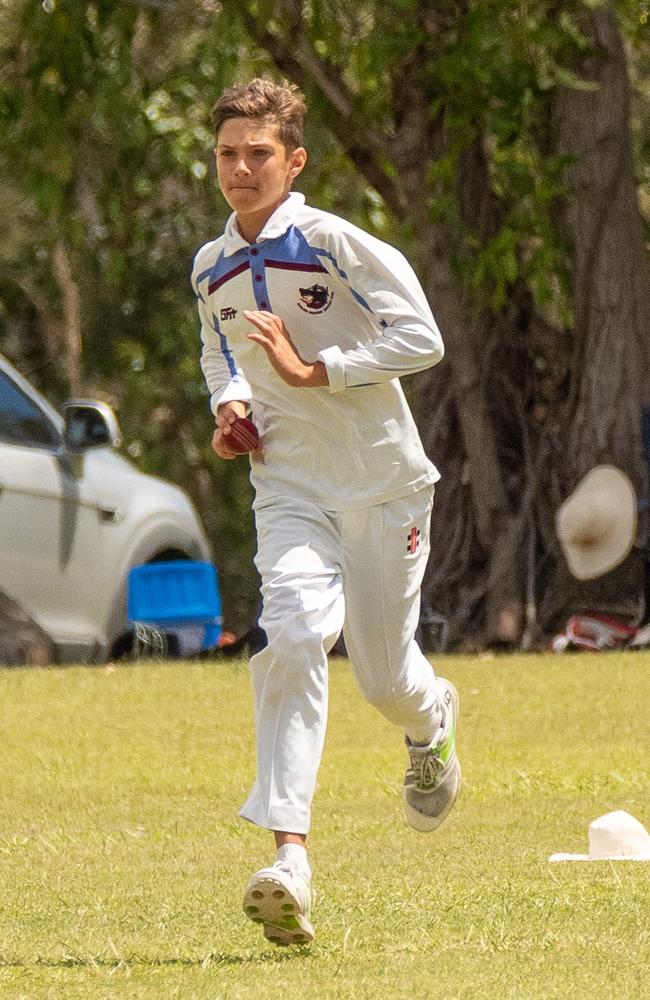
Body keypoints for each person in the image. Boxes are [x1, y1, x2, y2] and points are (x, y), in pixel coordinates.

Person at [191, 77, 460, 946]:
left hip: (384, 483)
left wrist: (322, 372)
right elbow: (218, 348)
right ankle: (290, 862)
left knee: (383, 677)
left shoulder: (332, 240)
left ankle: (432, 723)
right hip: (291, 486)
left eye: (258, 154)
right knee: (295, 637)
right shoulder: (211, 264)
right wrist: (231, 408)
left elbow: (422, 337)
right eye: (228, 153)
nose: (241, 168)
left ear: (293, 161)